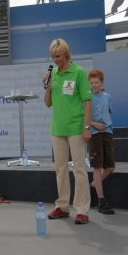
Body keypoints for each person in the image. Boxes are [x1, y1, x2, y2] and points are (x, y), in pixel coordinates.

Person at [42, 38, 92, 224]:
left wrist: (87, 128)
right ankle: (62, 206)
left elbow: (87, 102)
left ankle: (82, 209)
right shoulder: (53, 74)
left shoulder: (78, 72)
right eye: (53, 57)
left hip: (76, 128)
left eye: (58, 56)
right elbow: (47, 104)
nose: (55, 60)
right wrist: (47, 86)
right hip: (58, 128)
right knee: (60, 169)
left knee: (79, 168)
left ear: (66, 54)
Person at [87, 69, 115, 215]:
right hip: (94, 134)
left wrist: (106, 126)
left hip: (108, 132)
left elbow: (107, 114)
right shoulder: (87, 98)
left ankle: (92, 186)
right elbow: (83, 118)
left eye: (96, 82)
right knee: (97, 167)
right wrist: (94, 124)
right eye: (91, 83)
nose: (94, 85)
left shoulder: (107, 97)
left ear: (102, 82)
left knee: (110, 167)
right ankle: (101, 200)